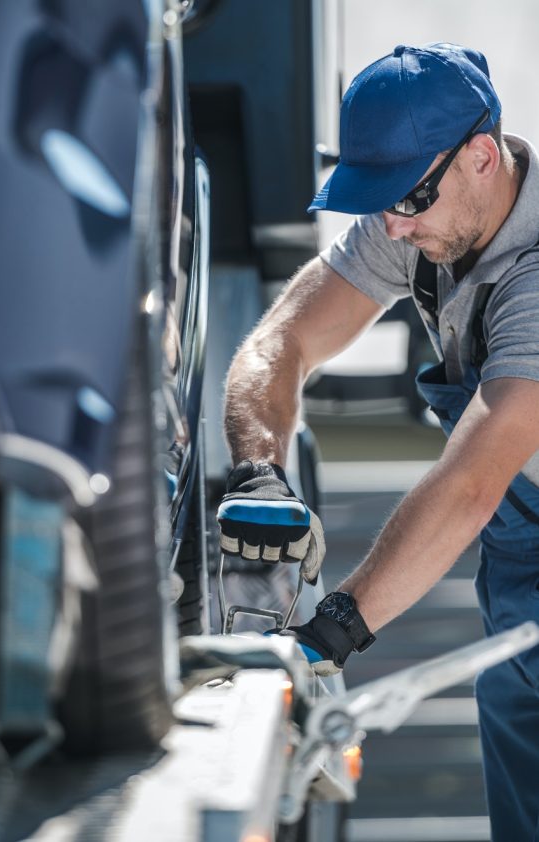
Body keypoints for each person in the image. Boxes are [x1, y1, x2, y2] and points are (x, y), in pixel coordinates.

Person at [217, 42, 539, 841]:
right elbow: (276, 346)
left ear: (480, 158)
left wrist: (336, 627)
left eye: (407, 199)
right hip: (522, 560)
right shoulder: (426, 215)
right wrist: (260, 473)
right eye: (381, 201)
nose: (393, 223)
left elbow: (473, 480)